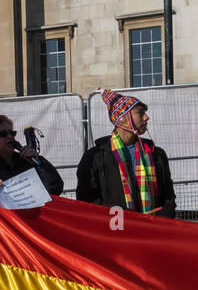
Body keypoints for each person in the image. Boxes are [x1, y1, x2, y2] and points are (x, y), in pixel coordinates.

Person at [75, 88, 176, 217]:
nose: (146, 117)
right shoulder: (96, 157)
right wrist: (123, 216)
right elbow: (87, 199)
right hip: (114, 230)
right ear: (123, 118)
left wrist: (165, 215)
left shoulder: (156, 153)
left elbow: (168, 193)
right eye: (140, 113)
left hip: (153, 229)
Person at [0, 115, 64, 196]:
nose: (10, 136)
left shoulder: (28, 161)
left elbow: (55, 188)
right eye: (3, 134)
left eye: (12, 133)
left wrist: (39, 162)